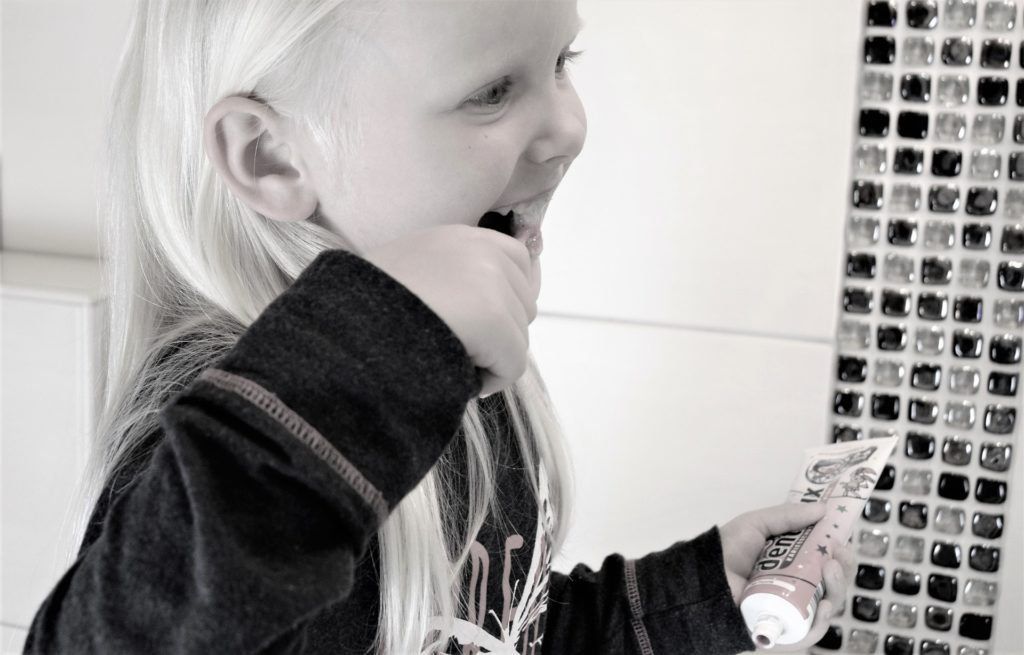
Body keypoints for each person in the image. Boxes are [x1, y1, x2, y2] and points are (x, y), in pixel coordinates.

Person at [24, 1, 852, 653]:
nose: (570, 128)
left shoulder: (438, 369)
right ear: (272, 156)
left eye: (561, 62)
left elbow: (493, 628)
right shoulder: (252, 430)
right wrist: (376, 349)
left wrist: (694, 596)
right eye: (491, 91)